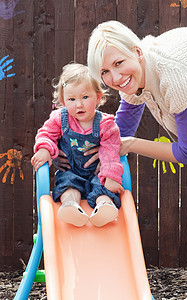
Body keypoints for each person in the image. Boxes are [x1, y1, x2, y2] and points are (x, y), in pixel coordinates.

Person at [86, 21, 187, 299]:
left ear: (137, 51)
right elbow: (123, 130)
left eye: (119, 63)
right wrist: (95, 155)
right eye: (105, 72)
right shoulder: (133, 77)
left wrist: (130, 145)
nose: (116, 77)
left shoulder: (171, 76)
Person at [31, 62, 124, 228]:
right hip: (71, 171)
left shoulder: (106, 124)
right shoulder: (60, 118)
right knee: (67, 185)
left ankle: (104, 207)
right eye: (71, 99)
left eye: (85, 97)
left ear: (98, 96)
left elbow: (111, 151)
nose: (78, 104)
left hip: (99, 173)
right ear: (63, 101)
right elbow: (46, 133)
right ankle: (71, 207)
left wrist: (111, 177)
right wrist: (45, 149)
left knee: (103, 188)